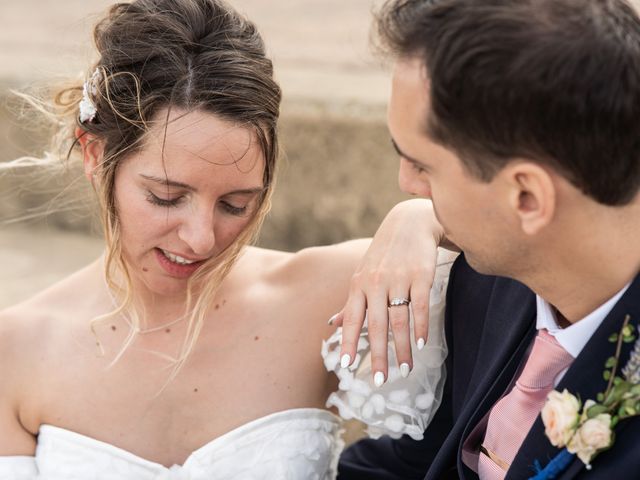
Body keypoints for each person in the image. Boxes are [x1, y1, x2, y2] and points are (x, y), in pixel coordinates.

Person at [0, 0, 452, 478]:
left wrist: (421, 216)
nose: (201, 239)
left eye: (236, 204)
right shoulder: (16, 349)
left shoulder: (334, 290)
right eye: (166, 197)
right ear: (95, 156)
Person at [338, 0, 640, 478]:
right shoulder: (489, 283)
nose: (407, 186)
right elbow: (412, 465)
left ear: (526, 196)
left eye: (422, 165)